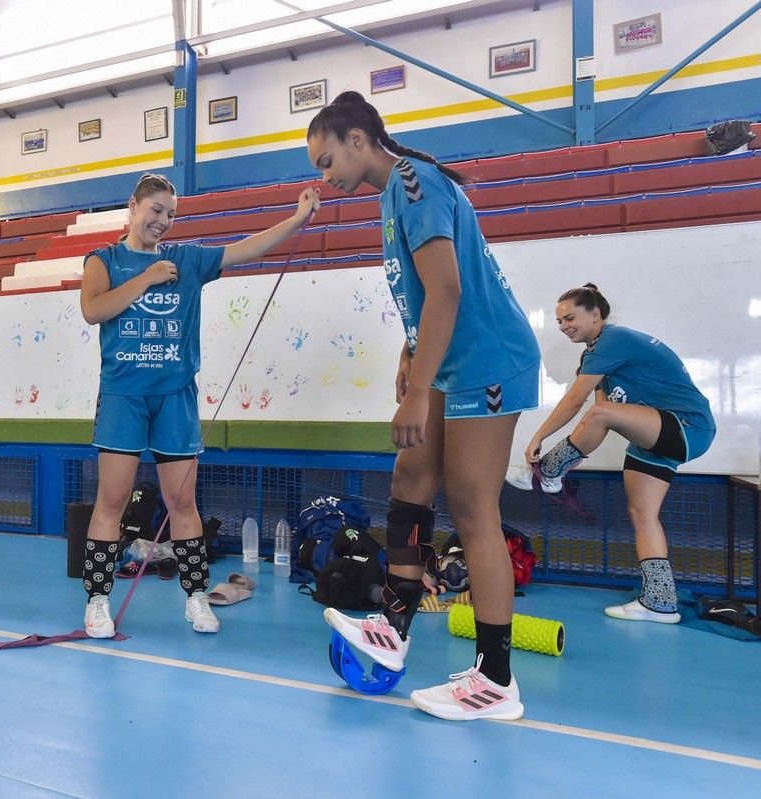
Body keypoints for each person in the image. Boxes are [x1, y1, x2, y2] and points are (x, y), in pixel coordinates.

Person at [307, 91, 541, 721]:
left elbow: (447, 288)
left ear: (358, 140)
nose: (324, 177)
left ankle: (496, 681)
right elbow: (425, 297)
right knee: (411, 475)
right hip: (452, 359)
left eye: (326, 160)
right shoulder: (391, 195)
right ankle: (394, 626)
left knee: (471, 504)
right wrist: (412, 352)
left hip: (490, 359)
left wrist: (416, 391)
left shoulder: (414, 183)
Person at [78, 172, 319, 638]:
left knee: (183, 502)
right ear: (134, 206)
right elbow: (94, 310)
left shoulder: (188, 259)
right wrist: (147, 277)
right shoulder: (103, 260)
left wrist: (297, 218)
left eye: (171, 214)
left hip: (175, 398)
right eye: (156, 210)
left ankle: (195, 598)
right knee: (111, 502)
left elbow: (247, 248)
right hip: (123, 397)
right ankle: (97, 600)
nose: (163, 221)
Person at [506, 283, 715, 623]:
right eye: (559, 322)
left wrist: (538, 439)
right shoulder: (596, 358)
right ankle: (660, 603)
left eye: (570, 317)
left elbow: (577, 402)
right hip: (657, 435)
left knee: (599, 415)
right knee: (642, 515)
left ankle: (548, 473)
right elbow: (599, 419)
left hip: (689, 427)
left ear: (596, 315)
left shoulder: (613, 340)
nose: (564, 326)